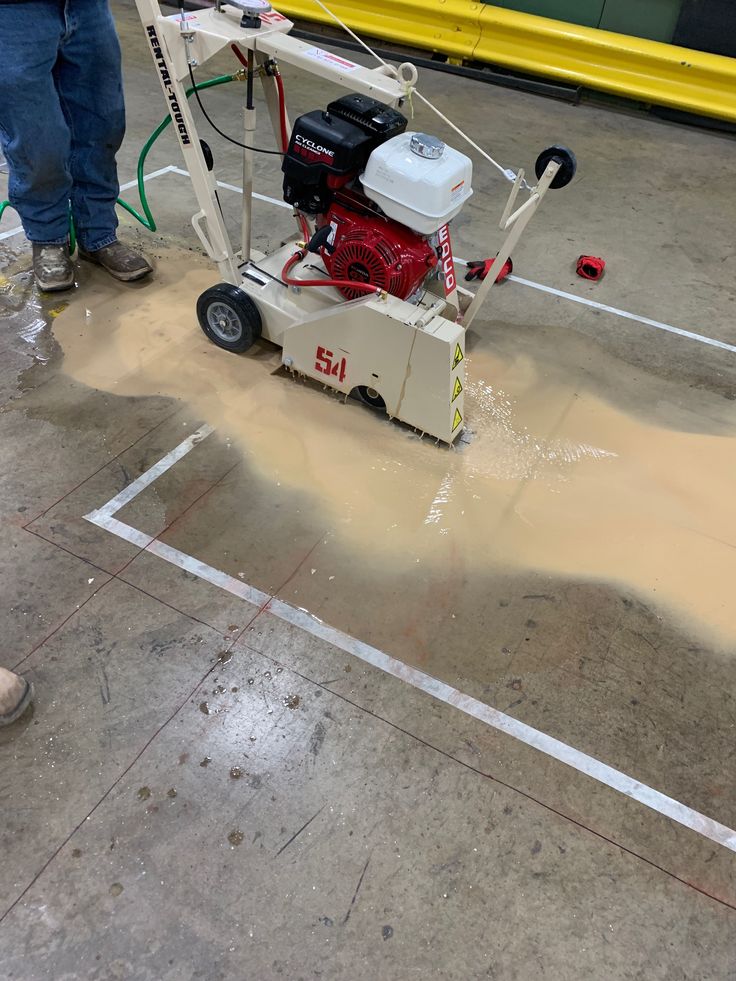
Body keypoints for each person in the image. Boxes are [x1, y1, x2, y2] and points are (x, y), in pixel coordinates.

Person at [0, 0, 153, 292]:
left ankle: (98, 235)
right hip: (12, 12)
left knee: (102, 122)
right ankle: (49, 239)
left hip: (88, 7)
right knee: (37, 137)